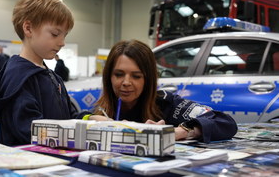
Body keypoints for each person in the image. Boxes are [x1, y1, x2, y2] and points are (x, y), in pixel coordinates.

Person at [81, 39, 237, 143]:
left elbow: (226, 123)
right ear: (109, 77)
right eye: (118, 74)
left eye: (136, 76)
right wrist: (94, 119)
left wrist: (181, 131)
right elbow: (74, 120)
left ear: (148, 79)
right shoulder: (103, 110)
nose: (126, 83)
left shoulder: (167, 105)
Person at [0, 0, 79, 146]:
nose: (62, 42)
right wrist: (72, 136)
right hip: (27, 163)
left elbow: (70, 115)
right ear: (28, 28)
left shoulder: (52, 76)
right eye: (55, 34)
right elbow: (30, 129)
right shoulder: (18, 77)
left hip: (55, 159)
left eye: (64, 35)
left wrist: (90, 120)